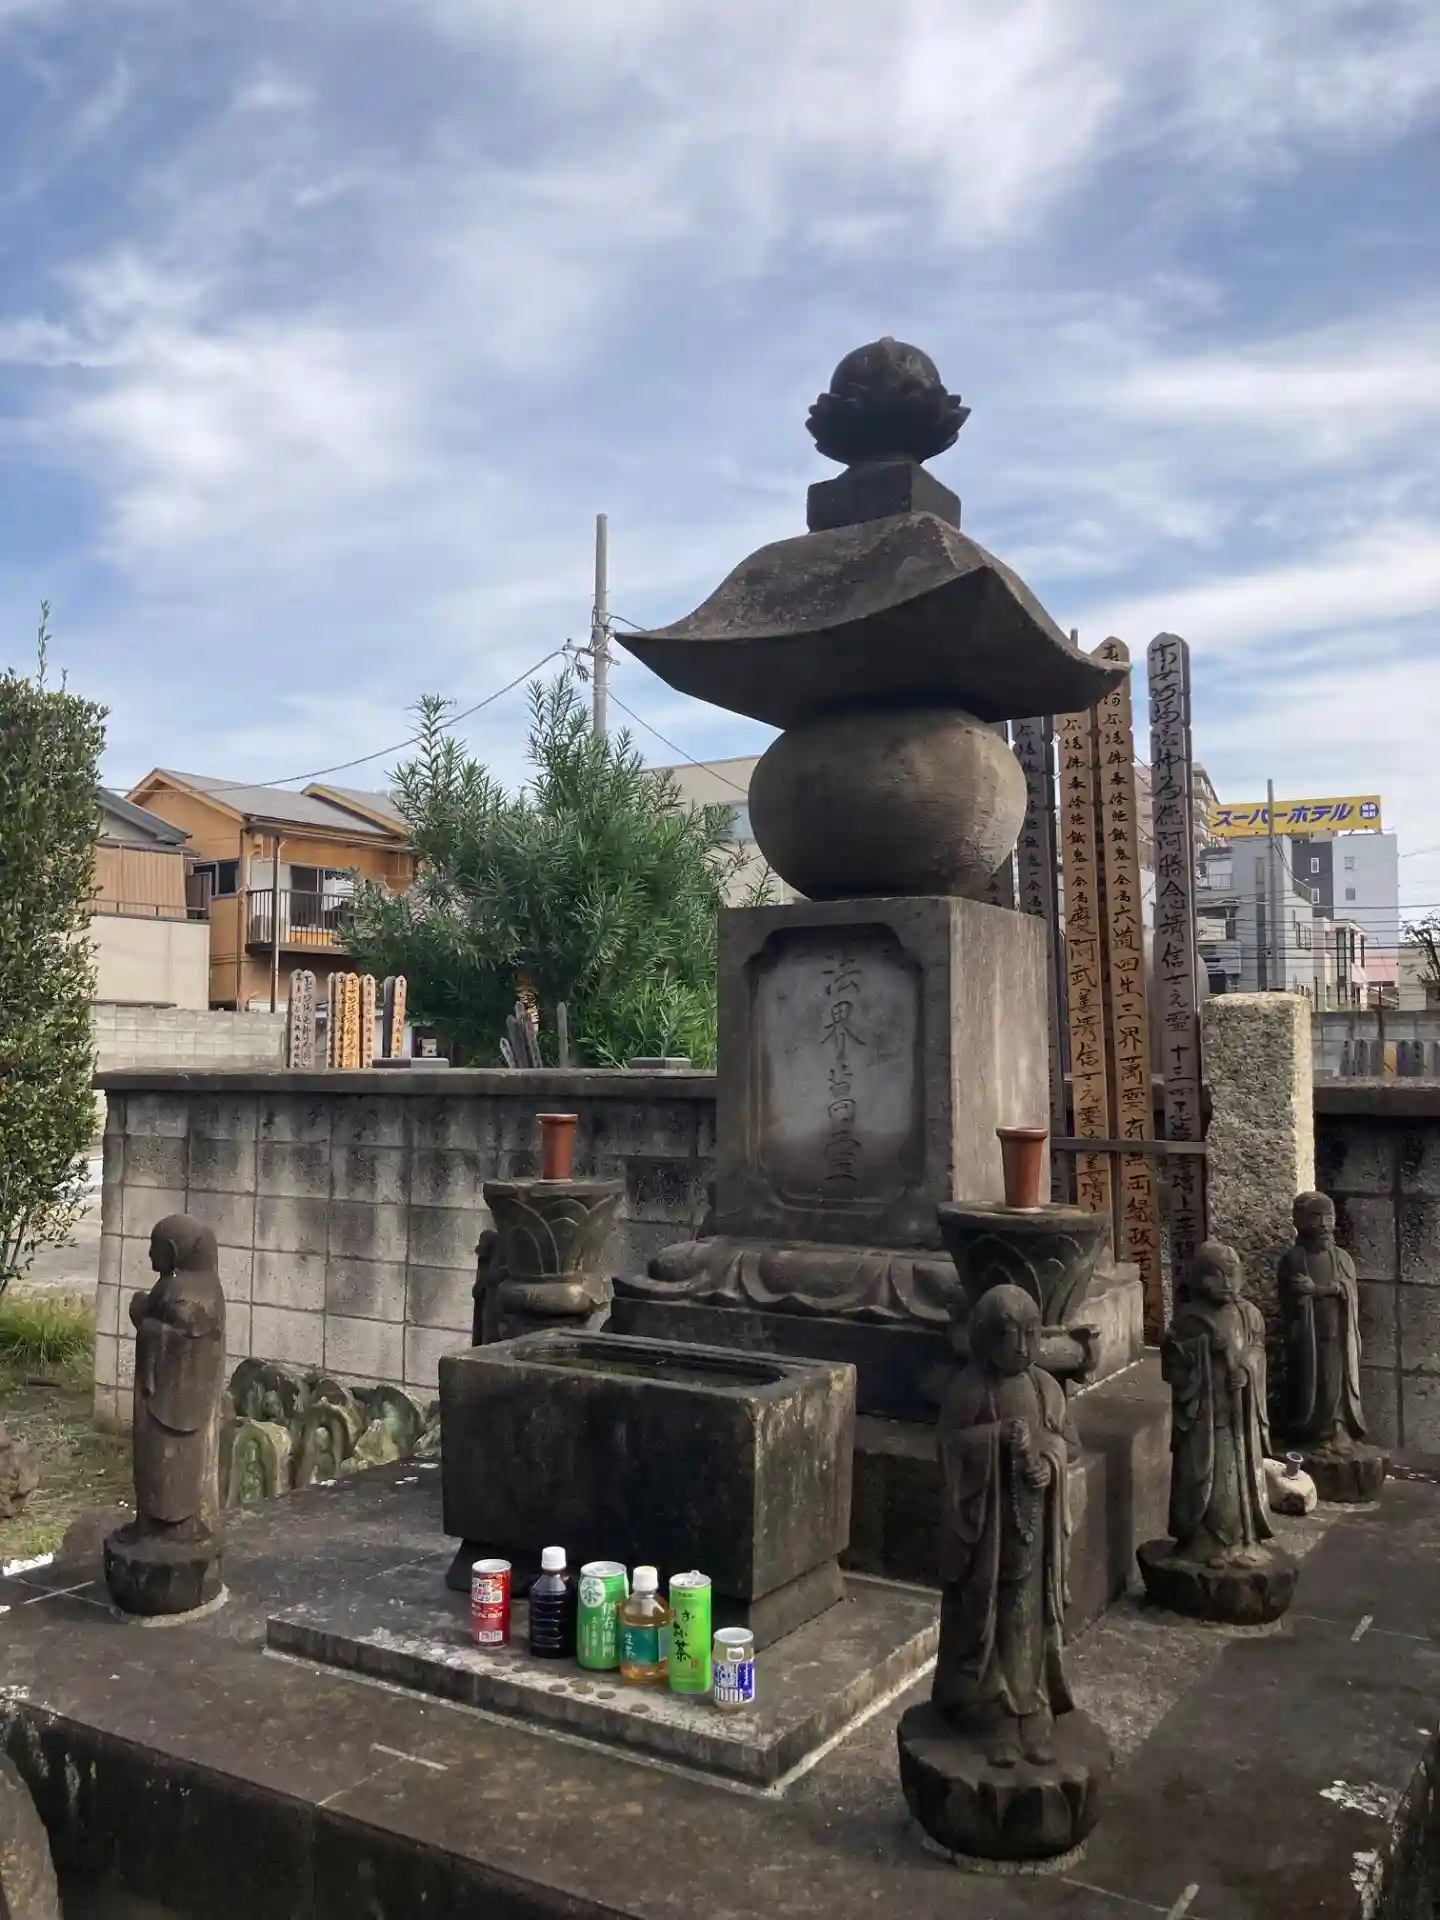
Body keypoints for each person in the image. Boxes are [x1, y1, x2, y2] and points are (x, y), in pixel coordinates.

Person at [932, 1285, 1075, 1769]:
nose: (1023, 1346)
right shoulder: (970, 1389)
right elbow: (949, 1446)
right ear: (984, 1338)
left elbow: (1066, 1443)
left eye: (1032, 1334)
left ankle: (1030, 1711)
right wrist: (995, 1437)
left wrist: (1049, 1463)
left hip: (1033, 1527)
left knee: (1026, 1618)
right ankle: (991, 1714)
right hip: (986, 1535)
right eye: (1010, 1335)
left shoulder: (1045, 1387)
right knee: (986, 1615)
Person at [1163, 1241, 1272, 1569]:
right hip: (1206, 1419)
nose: (1227, 1283)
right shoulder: (1189, 1320)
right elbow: (1171, 1367)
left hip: (1239, 1414)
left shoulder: (1248, 1315)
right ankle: (1204, 1544)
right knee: (1206, 1481)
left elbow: (1257, 1348)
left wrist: (1246, 1369)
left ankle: (1241, 1542)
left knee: (1240, 1479)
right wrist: (1201, 1351)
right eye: (1217, 1275)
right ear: (1198, 1277)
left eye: (1232, 1274)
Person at [1277, 1192, 1366, 1450]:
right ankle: (1312, 1432)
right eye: (1316, 1217)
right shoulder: (1294, 1259)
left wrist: (1320, 1290)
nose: (1325, 1224)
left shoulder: (1342, 1258)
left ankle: (1337, 1428)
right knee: (1309, 1378)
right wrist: (1312, 1294)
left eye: (1329, 1217)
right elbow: (1290, 1297)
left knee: (1337, 1379)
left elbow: (1349, 1291)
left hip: (1339, 1333)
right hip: (1309, 1333)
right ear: (1300, 1220)